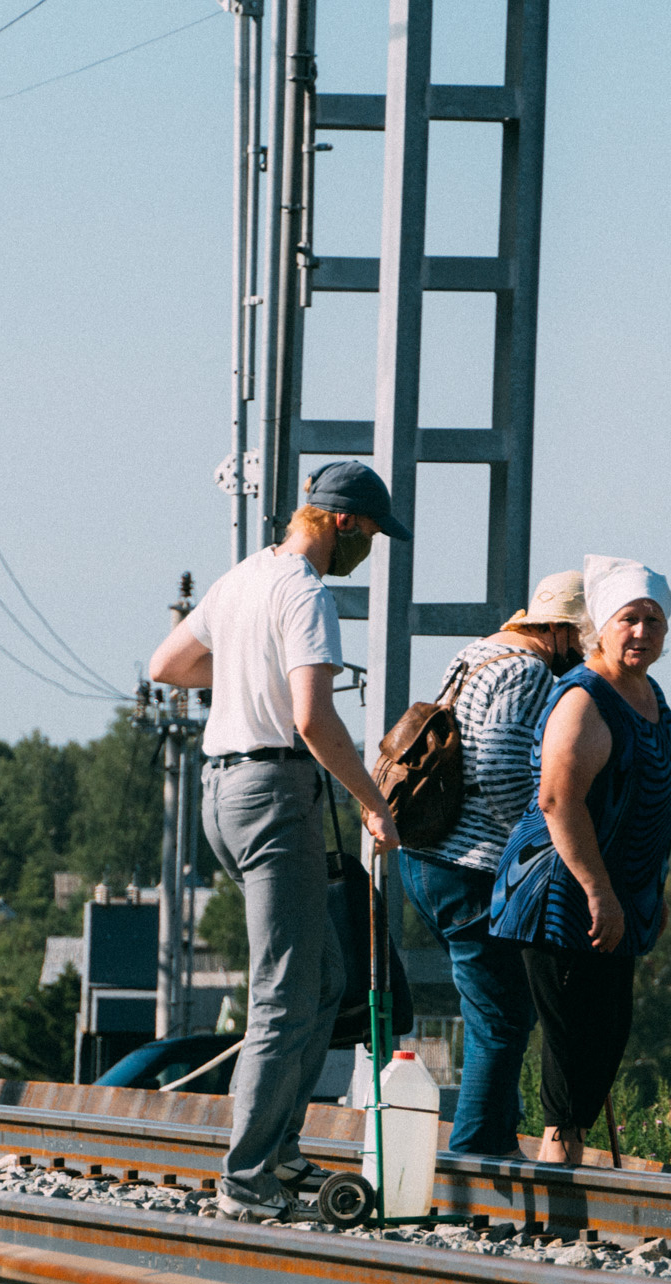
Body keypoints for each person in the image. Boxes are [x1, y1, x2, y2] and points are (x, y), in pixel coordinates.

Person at [146, 462, 405, 1220]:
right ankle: (248, 1176)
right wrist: (372, 800)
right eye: (371, 534)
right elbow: (314, 720)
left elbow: (167, 665)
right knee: (284, 993)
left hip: (222, 791)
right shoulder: (306, 592)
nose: (370, 550)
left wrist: (244, 665)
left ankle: (281, 1149)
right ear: (344, 522)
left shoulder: (242, 580)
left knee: (322, 979)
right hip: (275, 793)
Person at [488, 554, 671, 1165]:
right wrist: (599, 892)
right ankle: (559, 1185)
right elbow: (558, 800)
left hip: (619, 900)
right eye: (629, 618)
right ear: (600, 626)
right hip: (562, 898)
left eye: (653, 621)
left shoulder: (647, 693)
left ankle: (569, 1178)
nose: (641, 632)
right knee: (575, 1047)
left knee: (604, 1041)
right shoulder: (585, 698)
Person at [398, 571, 587, 1156]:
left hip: (425, 857)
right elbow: (505, 770)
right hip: (471, 865)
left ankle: (497, 1137)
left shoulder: (476, 655)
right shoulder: (527, 671)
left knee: (495, 1010)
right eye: (583, 642)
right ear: (559, 632)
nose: (583, 658)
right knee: (502, 1018)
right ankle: (479, 1152)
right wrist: (540, 843)